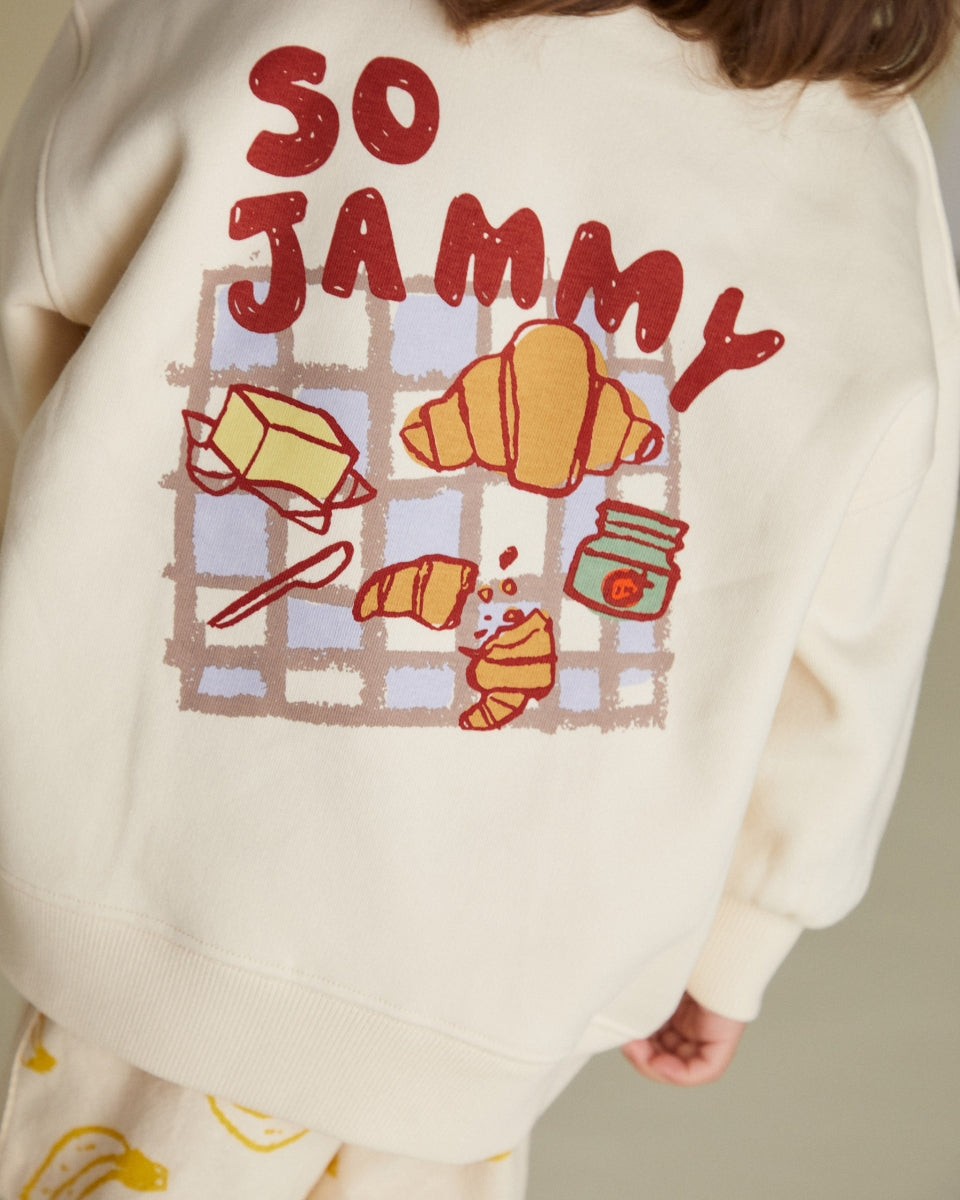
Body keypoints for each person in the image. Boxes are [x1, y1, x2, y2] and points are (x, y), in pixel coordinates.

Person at [0, 0, 956, 1195]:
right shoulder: (861, 169)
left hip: (143, 896)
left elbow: (34, 312)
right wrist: (748, 925)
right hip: (508, 988)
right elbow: (859, 617)